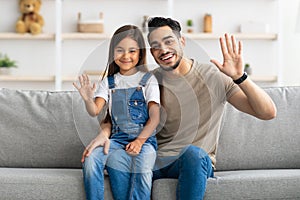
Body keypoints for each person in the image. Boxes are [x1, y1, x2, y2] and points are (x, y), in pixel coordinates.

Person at [82, 17, 277, 200]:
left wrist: (239, 77)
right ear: (151, 53)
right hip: (153, 159)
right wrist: (104, 133)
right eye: (156, 47)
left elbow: (267, 112)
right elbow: (120, 114)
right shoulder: (150, 81)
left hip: (191, 161)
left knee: (194, 153)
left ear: (182, 41)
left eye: (169, 42)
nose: (163, 50)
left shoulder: (213, 77)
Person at [74, 25, 160, 200]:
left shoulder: (148, 80)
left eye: (132, 51)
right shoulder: (108, 82)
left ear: (140, 53)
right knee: (90, 159)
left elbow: (155, 117)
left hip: (145, 141)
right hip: (116, 140)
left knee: (143, 168)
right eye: (120, 50)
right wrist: (87, 99)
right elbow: (94, 111)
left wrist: (139, 141)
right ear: (113, 52)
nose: (126, 56)